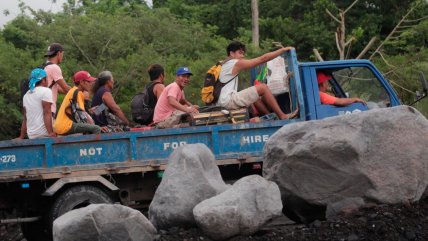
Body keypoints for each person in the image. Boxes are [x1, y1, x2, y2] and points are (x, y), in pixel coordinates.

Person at [217, 41, 297, 120]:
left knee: (254, 93)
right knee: (263, 88)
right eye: (240, 53)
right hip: (228, 101)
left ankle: (269, 116)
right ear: (231, 53)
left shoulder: (223, 64)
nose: (242, 56)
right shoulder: (234, 63)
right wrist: (282, 50)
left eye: (243, 53)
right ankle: (283, 116)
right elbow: (263, 59)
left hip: (221, 101)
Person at [54, 70, 101, 135]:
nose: (90, 84)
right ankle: (93, 145)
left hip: (60, 125)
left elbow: (80, 112)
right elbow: (83, 115)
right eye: (88, 81)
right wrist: (96, 125)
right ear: (81, 82)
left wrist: (90, 112)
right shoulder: (78, 92)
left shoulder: (73, 90)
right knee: (96, 128)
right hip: (66, 125)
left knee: (89, 127)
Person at [18, 68, 56, 139]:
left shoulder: (26, 95)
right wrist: (50, 133)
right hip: (45, 134)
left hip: (32, 136)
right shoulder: (46, 91)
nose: (47, 81)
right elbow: (47, 112)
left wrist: (21, 136)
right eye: (46, 79)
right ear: (43, 80)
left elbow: (25, 118)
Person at [44, 43, 72, 117]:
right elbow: (66, 88)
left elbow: (58, 88)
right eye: (62, 54)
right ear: (59, 53)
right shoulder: (54, 67)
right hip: (49, 108)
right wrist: (78, 92)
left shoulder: (44, 67)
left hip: (41, 106)